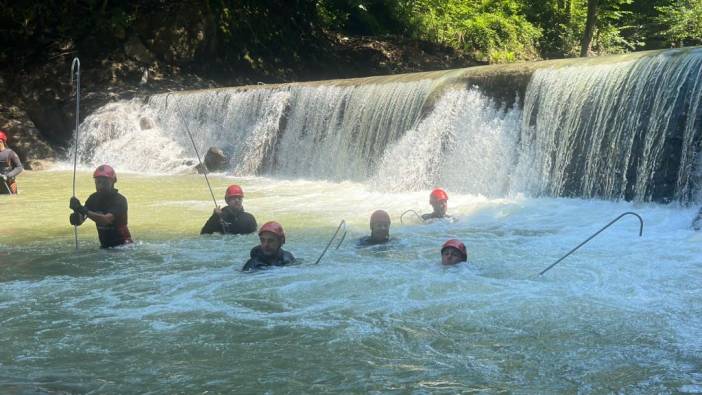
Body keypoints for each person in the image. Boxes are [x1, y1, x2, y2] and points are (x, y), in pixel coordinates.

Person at [69, 164, 133, 248]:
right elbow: (82, 218)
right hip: (105, 247)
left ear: (113, 181)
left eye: (105, 182)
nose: (101, 186)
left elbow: (105, 220)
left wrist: (81, 209)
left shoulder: (120, 200)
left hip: (123, 246)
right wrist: (76, 216)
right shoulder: (93, 198)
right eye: (98, 182)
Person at [0, 130, 24, 195]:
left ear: (1, 141)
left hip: (9, 181)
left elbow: (19, 167)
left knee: (13, 199)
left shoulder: (10, 153)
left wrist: (8, 176)